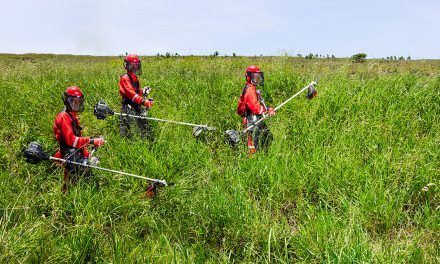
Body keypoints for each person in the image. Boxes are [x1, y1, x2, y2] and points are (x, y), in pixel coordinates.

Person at [53, 86, 106, 192]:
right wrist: (92, 141)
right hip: (69, 154)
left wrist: (87, 155)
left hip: (75, 152)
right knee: (89, 180)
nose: (76, 104)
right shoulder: (64, 116)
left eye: (78, 102)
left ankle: (66, 193)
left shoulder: (72, 115)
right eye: (73, 101)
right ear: (67, 100)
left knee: (70, 181)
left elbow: (78, 141)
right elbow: (72, 141)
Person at [236, 66, 276, 155]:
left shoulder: (252, 88)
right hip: (250, 119)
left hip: (253, 117)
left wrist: (266, 108)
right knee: (252, 144)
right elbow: (254, 107)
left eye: (258, 76)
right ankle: (250, 162)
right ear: (249, 77)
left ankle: (262, 155)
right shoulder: (250, 89)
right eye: (255, 76)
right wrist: (266, 110)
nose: (257, 79)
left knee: (266, 137)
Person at [119, 54, 154, 138]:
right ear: (127, 66)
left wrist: (143, 90)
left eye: (136, 66)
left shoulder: (135, 78)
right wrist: (143, 101)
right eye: (132, 66)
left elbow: (136, 91)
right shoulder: (125, 78)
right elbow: (130, 93)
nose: (134, 68)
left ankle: (145, 140)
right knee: (130, 130)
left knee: (144, 126)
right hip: (128, 106)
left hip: (136, 105)